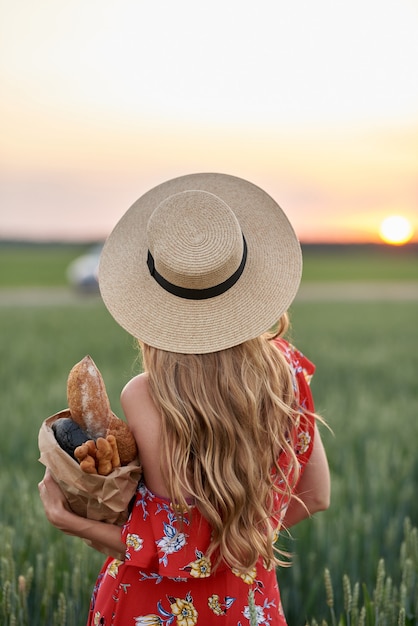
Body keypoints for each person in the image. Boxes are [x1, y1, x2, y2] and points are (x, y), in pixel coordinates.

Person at [39, 173, 330, 626]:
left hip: (153, 610)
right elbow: (316, 495)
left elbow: (179, 549)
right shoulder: (287, 371)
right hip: (250, 606)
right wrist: (244, 534)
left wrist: (70, 520)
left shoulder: (149, 396)